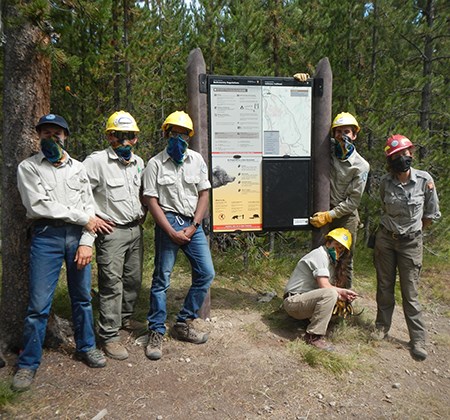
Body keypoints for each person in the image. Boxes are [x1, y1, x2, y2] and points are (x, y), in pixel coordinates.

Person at [13, 114, 106, 392]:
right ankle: (28, 364)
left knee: (82, 297)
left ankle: (86, 347)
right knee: (39, 305)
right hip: (46, 237)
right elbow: (39, 205)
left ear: (65, 136)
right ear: (38, 136)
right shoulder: (28, 168)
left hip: (78, 238)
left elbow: (91, 209)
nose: (51, 137)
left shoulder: (78, 169)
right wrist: (82, 219)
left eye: (57, 133)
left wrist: (87, 241)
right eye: (46, 133)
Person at [142, 110, 215, 360]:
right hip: (168, 220)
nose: (178, 137)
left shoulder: (196, 160)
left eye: (183, 134)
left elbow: (204, 194)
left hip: (193, 222)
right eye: (174, 132)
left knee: (206, 272)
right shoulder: (154, 164)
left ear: (190, 137)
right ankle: (156, 331)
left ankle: (183, 322)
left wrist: (195, 225)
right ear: (166, 134)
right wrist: (170, 230)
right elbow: (151, 199)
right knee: (162, 277)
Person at [83, 111, 146, 360]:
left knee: (133, 279)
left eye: (129, 136)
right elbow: (81, 193)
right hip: (111, 233)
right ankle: (109, 334)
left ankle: (124, 318)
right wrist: (94, 218)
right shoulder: (96, 162)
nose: (124, 141)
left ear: (136, 138)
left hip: (135, 229)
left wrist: (144, 214)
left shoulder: (138, 162)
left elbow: (141, 192)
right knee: (111, 283)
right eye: (119, 136)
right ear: (109, 136)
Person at [373, 134, 440, 361]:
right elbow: (384, 205)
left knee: (410, 292)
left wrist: (413, 231)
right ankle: (382, 327)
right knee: (384, 286)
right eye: (396, 156)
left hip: (411, 242)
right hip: (386, 239)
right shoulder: (385, 182)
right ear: (390, 160)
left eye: (405, 153)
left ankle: (418, 339)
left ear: (411, 153)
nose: (402, 158)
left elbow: (430, 214)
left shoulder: (424, 180)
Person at [309, 112, 370, 289]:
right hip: (322, 209)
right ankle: (320, 298)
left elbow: (353, 201)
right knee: (320, 257)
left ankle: (343, 305)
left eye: (347, 132)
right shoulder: (326, 152)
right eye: (338, 132)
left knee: (343, 260)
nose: (342, 136)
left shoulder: (361, 166)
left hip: (345, 216)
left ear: (355, 135)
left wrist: (330, 216)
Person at [283, 228, 358, 351]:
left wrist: (342, 296)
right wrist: (341, 293)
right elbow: (324, 286)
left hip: (304, 301)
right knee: (330, 294)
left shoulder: (330, 262)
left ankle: (311, 324)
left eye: (341, 248)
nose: (337, 250)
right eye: (336, 245)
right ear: (328, 242)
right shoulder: (320, 255)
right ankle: (314, 336)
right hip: (293, 301)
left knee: (336, 296)